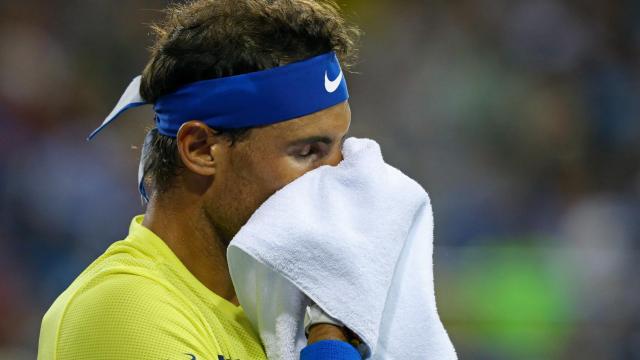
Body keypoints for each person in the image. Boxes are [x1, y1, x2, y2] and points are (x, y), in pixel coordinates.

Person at [37, 0, 364, 359]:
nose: (337, 178)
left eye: (337, 150)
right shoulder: (122, 307)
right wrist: (330, 341)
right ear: (201, 148)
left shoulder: (281, 312)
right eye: (307, 152)